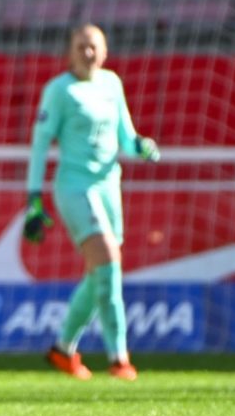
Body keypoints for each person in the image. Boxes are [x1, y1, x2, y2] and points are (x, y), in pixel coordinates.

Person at [24, 23, 159, 381]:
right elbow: (40, 146)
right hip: (74, 188)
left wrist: (142, 147)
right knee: (110, 263)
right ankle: (119, 358)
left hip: (109, 188)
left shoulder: (112, 83)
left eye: (93, 46)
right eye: (81, 46)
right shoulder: (59, 90)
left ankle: (63, 349)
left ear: (105, 50)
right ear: (69, 52)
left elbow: (126, 138)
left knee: (100, 272)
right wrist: (33, 199)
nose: (88, 52)